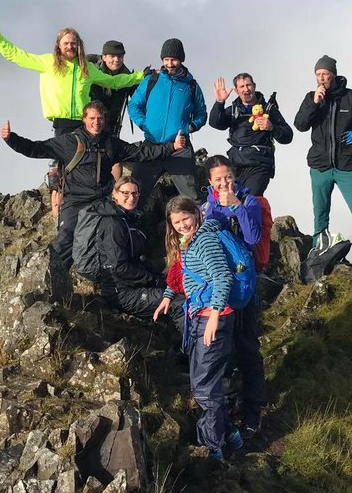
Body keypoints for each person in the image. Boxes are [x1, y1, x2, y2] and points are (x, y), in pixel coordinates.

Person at [0, 8, 146, 211]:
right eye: (66, 43)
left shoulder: (86, 68)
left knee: (92, 167)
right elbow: (14, 54)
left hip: (85, 125)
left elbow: (115, 81)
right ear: (59, 45)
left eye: (73, 43)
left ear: (79, 45)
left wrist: (140, 76)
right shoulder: (48, 63)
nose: (70, 46)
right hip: (63, 125)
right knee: (61, 173)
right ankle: (60, 219)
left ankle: (97, 209)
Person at [0, 102, 186, 275]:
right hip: (75, 201)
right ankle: (54, 281)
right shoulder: (69, 142)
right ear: (84, 119)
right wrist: (11, 139)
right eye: (92, 118)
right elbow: (36, 148)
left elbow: (141, 153)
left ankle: (127, 274)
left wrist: (172, 147)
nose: (96, 123)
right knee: (66, 240)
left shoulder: (111, 143)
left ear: (105, 120)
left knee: (120, 232)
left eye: (100, 119)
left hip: (103, 200)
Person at [154, 197, 243, 460]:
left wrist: (215, 315)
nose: (182, 226)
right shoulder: (188, 242)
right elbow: (186, 275)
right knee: (204, 382)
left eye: (186, 219)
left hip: (212, 317)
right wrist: (169, 295)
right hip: (200, 316)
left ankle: (213, 448)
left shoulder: (204, 240)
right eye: (177, 222)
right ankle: (231, 437)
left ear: (196, 214)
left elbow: (222, 276)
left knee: (204, 387)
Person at [293, 55, 352, 271]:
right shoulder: (311, 97)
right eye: (318, 74)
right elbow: (300, 125)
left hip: (347, 165)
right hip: (320, 166)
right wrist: (314, 103)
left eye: (325, 74)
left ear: (333, 74)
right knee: (320, 211)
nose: (321, 78)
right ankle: (319, 252)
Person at [202, 156, 265, 437]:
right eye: (218, 180)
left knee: (249, 348)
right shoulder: (207, 208)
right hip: (220, 286)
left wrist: (237, 207)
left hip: (246, 285)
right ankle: (226, 410)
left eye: (227, 177)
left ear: (234, 175)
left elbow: (252, 238)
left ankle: (253, 413)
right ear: (210, 182)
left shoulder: (249, 201)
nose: (224, 183)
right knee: (222, 351)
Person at [72, 177, 169, 319]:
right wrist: (153, 280)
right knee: (178, 301)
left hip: (131, 285)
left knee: (179, 290)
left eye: (135, 193)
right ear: (114, 194)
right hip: (121, 292)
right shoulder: (112, 223)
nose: (131, 198)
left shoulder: (127, 218)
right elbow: (118, 267)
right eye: (126, 193)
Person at [127, 38, 208, 203]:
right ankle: (130, 227)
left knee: (191, 198)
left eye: (174, 60)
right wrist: (144, 124)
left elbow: (201, 114)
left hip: (179, 147)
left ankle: (201, 228)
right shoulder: (152, 80)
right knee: (135, 193)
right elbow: (134, 105)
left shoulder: (191, 86)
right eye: (166, 60)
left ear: (181, 60)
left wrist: (190, 127)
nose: (170, 64)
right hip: (152, 145)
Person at [207, 73, 293, 196]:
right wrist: (219, 102)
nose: (246, 89)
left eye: (248, 85)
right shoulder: (233, 110)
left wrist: (271, 127)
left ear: (254, 86)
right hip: (236, 164)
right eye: (241, 87)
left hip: (260, 164)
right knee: (232, 199)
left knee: (250, 198)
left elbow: (288, 136)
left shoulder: (268, 109)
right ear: (236, 91)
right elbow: (215, 123)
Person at [88, 39, 143, 142]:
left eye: (120, 56)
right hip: (89, 125)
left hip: (112, 127)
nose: (117, 59)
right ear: (104, 57)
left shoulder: (129, 78)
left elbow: (139, 100)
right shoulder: (91, 72)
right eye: (112, 56)